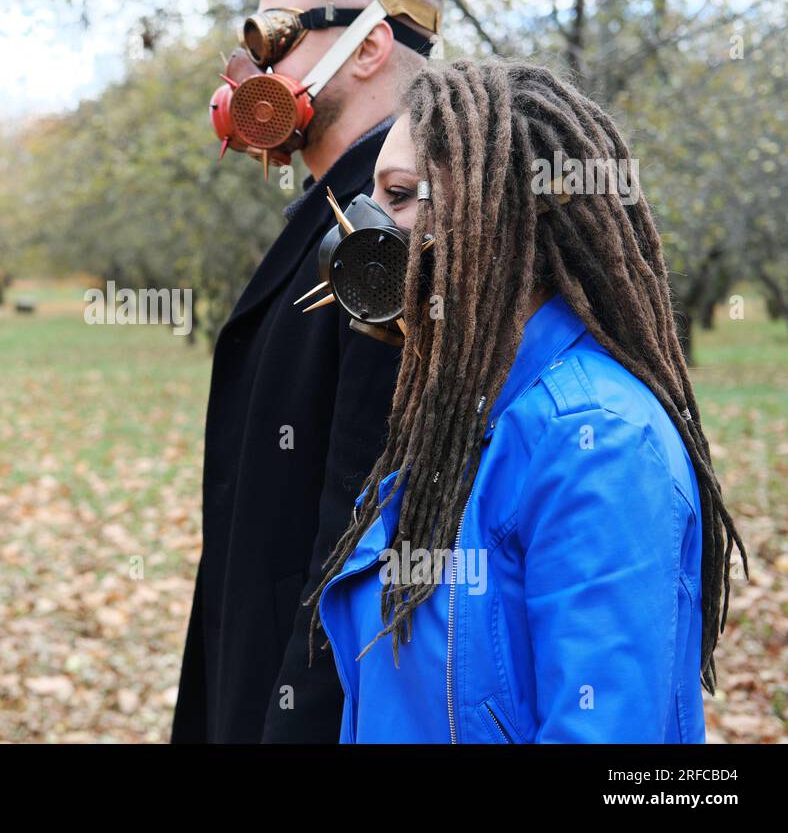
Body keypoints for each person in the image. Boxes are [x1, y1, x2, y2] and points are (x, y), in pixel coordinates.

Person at [312, 59, 747, 742]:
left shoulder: (597, 440)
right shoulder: (463, 417)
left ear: (503, 214)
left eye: (399, 196)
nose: (362, 230)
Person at [172, 0, 446, 743]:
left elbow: (358, 542)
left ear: (367, 47)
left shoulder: (394, 238)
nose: (251, 72)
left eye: (275, 38)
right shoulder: (334, 211)